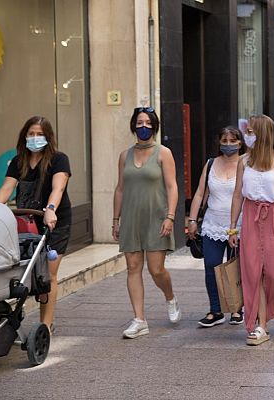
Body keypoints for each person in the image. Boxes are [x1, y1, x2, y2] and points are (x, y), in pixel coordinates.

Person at [228, 115, 274, 346]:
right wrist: (232, 228)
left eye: (250, 131)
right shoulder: (244, 161)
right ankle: (260, 325)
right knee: (253, 272)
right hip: (251, 216)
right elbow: (238, 194)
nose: (247, 136)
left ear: (263, 133)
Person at [0, 116, 71, 334]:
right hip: (26, 221)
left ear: (48, 137)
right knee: (29, 272)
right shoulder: (18, 161)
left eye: (40, 134)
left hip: (54, 221)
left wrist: (50, 209)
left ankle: (46, 325)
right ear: (24, 136)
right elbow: (6, 189)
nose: (35, 138)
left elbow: (58, 188)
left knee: (49, 274)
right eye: (31, 134)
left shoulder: (59, 159)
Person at [113, 107, 181, 339]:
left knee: (156, 269)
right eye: (139, 122)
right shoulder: (125, 155)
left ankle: (170, 297)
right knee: (133, 268)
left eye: (148, 123)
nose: (144, 127)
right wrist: (115, 219)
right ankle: (139, 320)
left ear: (154, 126)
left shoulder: (163, 153)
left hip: (157, 218)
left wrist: (170, 217)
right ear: (133, 125)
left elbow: (172, 187)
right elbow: (120, 189)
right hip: (131, 219)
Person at [187, 126, 246, 328]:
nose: (228, 145)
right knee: (211, 265)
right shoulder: (211, 163)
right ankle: (215, 310)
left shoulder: (246, 163)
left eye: (233, 141)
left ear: (240, 143)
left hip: (239, 225)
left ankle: (237, 308)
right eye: (225, 140)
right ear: (219, 142)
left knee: (235, 269)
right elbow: (199, 193)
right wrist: (192, 220)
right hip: (212, 224)